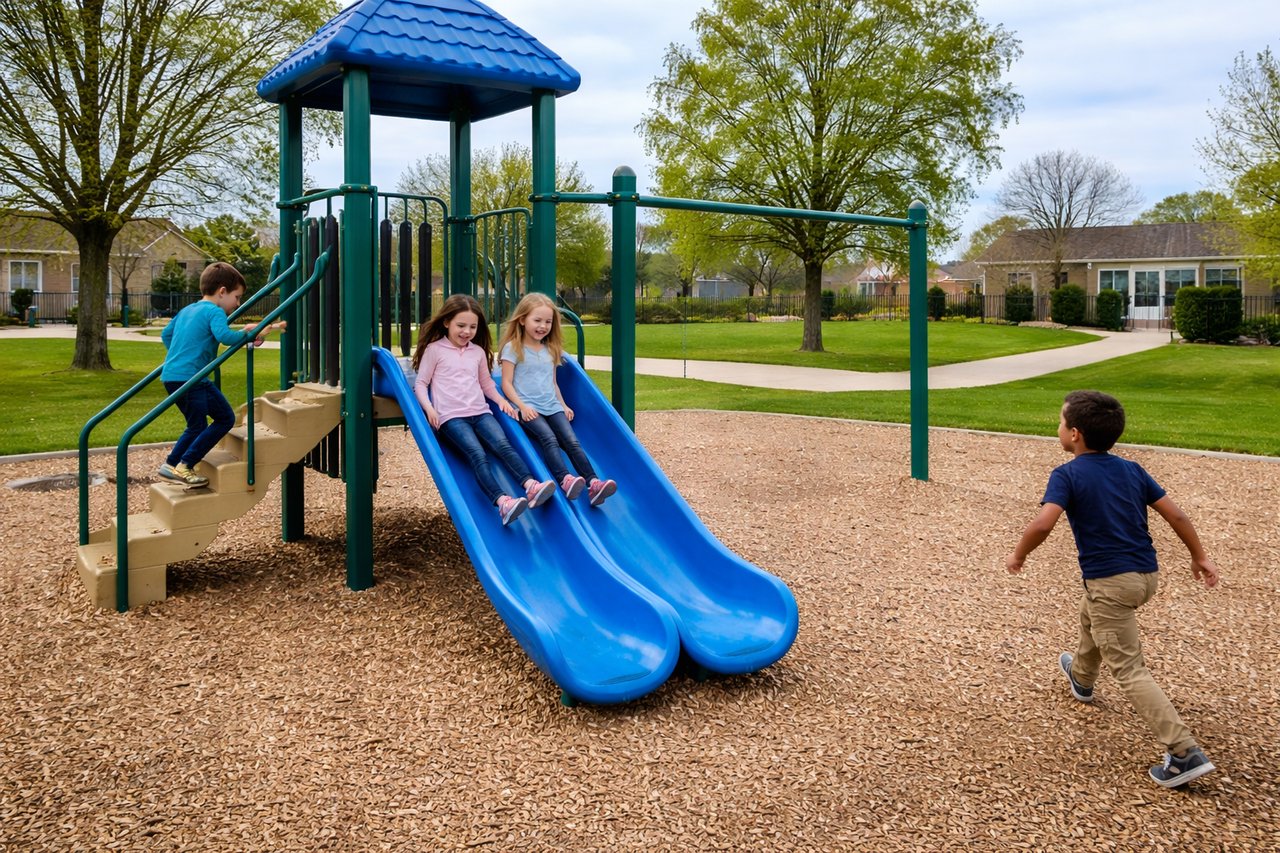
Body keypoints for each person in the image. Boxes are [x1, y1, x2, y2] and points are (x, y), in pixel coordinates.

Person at [1006, 390, 1221, 789]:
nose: (1058, 428)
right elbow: (1176, 515)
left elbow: (1043, 523)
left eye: (1060, 422)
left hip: (1111, 582)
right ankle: (1082, 677)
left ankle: (1183, 753)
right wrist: (1200, 556)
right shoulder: (1132, 470)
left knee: (1129, 667)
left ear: (1074, 434)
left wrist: (1019, 554)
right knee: (1092, 614)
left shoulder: (1067, 474)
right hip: (1145, 576)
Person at [412, 294, 555, 525]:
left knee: (503, 445)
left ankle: (530, 486)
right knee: (477, 454)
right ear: (446, 322)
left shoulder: (476, 352)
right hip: (452, 418)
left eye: (472, 327)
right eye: (461, 325)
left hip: (480, 412)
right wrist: (429, 408)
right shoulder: (435, 350)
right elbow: (421, 383)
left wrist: (501, 401)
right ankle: (502, 502)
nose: (467, 332)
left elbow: (486, 383)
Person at [158, 262, 285, 487]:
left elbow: (166, 335)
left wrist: (181, 355)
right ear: (222, 291)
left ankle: (171, 465)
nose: (238, 303)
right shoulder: (214, 311)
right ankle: (184, 465)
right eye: (237, 297)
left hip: (177, 376)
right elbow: (225, 336)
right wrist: (251, 334)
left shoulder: (188, 310)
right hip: (191, 378)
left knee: (215, 419)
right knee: (207, 423)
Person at [498, 293, 617, 507]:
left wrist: (562, 404)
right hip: (528, 407)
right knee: (549, 439)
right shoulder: (513, 348)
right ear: (523, 320)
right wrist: (522, 407)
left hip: (552, 405)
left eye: (548, 321)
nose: (543, 326)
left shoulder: (551, 349)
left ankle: (593, 483)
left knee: (572, 441)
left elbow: (552, 383)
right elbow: (506, 383)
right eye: (537, 320)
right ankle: (564, 479)